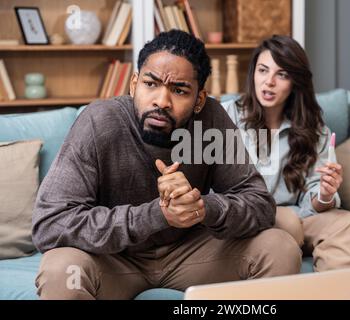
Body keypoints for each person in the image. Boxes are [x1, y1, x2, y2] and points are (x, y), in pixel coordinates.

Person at [31, 30, 301, 300]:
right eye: (151, 84)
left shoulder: (211, 120)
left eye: (179, 90)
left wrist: (202, 208)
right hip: (112, 259)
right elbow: (50, 223)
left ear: (199, 100)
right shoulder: (99, 122)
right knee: (61, 271)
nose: (161, 101)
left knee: (279, 248)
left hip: (190, 255)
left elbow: (259, 204)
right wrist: (157, 215)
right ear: (133, 83)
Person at [222, 35, 350, 272]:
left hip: (298, 218)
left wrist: (326, 194)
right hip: (246, 218)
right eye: (263, 70)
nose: (269, 82)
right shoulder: (227, 116)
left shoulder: (314, 130)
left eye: (282, 74)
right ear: (253, 74)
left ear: (295, 82)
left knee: (346, 222)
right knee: (286, 222)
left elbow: (315, 199)